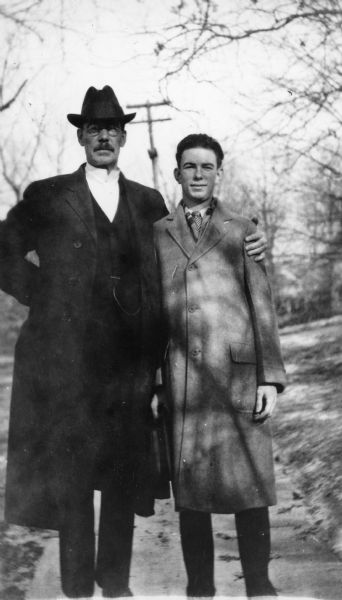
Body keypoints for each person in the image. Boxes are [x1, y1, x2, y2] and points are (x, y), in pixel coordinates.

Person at [0, 88, 266, 599]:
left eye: (112, 130)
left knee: (122, 476)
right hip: (66, 365)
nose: (104, 137)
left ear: (122, 138)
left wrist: (251, 236)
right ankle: (78, 589)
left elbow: (194, 250)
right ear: (81, 136)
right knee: (74, 480)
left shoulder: (148, 202)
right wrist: (44, 294)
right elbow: (4, 251)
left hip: (128, 365)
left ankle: (116, 584)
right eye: (94, 130)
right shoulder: (48, 194)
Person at [153, 134, 286, 599]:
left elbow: (262, 306)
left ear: (219, 173)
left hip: (237, 379)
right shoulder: (159, 232)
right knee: (192, 498)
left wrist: (270, 377)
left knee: (249, 486)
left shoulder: (242, 229)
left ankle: (259, 585)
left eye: (207, 167)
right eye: (189, 167)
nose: (198, 175)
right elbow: (152, 314)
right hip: (184, 383)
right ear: (177, 173)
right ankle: (200, 589)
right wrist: (155, 380)